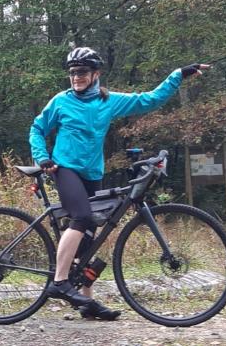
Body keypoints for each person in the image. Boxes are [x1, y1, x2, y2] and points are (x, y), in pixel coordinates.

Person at [29, 46, 209, 320]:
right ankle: (60, 281)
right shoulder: (61, 102)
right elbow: (37, 128)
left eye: (82, 72)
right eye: (73, 73)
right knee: (81, 217)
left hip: (92, 174)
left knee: (89, 235)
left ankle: (86, 304)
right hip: (64, 168)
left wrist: (177, 75)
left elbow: (149, 100)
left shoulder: (108, 101)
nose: (76, 77)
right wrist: (42, 157)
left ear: (95, 74)